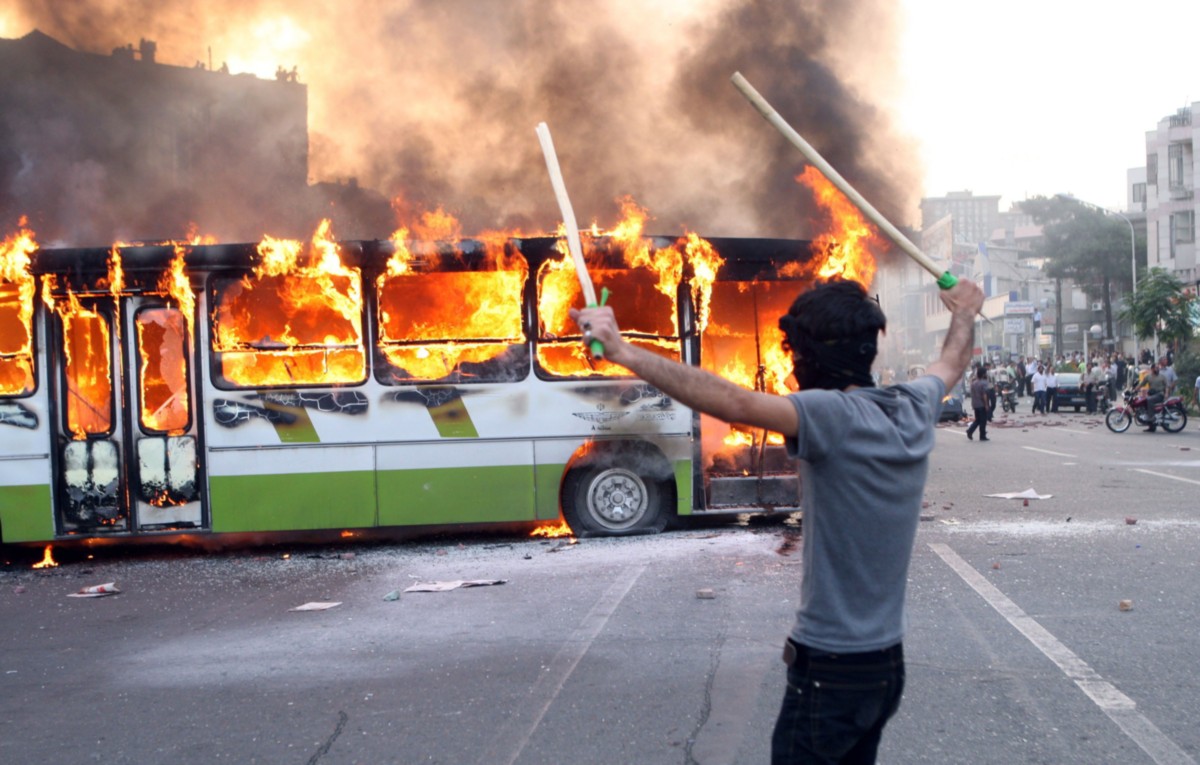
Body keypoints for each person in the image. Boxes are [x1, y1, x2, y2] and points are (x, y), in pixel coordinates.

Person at [572, 277, 984, 765]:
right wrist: (964, 312)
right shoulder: (914, 406)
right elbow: (953, 360)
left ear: (810, 356)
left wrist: (623, 350)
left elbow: (737, 402)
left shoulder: (832, 414)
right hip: (884, 666)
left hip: (831, 671)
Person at [966, 364, 991, 441]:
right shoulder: (984, 383)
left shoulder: (974, 383)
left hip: (975, 404)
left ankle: (970, 430)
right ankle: (982, 435)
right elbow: (984, 395)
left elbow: (972, 394)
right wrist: (986, 405)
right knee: (983, 420)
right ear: (983, 374)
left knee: (977, 420)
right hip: (981, 404)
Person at [1142, 364, 1167, 432]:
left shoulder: (1162, 377)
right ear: (1152, 369)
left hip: (1159, 394)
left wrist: (1166, 393)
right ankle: (1151, 427)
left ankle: (1151, 418)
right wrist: (1134, 389)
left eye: (1158, 368)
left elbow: (1167, 386)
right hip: (1152, 394)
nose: (1158, 369)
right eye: (1156, 368)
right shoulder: (1148, 377)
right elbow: (1141, 384)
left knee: (1149, 400)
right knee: (1143, 402)